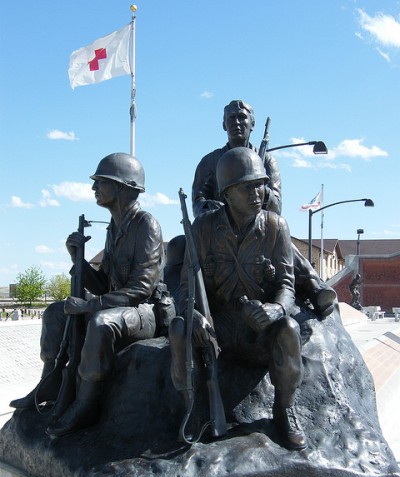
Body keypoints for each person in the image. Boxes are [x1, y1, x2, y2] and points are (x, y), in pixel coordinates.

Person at [10, 153, 170, 437]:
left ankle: (86, 404)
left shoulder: (147, 225)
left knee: (100, 322)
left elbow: (140, 290)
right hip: (118, 306)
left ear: (123, 187)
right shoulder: (114, 228)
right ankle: (50, 380)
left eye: (101, 182)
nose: (94, 188)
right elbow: (103, 284)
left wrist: (89, 307)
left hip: (144, 313)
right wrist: (79, 261)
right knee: (55, 312)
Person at [170, 147, 306, 450]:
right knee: (179, 328)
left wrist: (276, 308)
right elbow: (184, 286)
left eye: (260, 184)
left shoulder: (275, 227)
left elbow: (287, 284)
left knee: (289, 330)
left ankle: (284, 409)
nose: (258, 192)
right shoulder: (203, 228)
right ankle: (190, 409)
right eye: (248, 186)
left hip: (258, 332)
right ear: (228, 193)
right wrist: (193, 314)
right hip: (216, 333)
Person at [192, 99, 336, 318]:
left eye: (243, 117)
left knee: (281, 237)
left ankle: (313, 288)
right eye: (231, 118)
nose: (237, 122)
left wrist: (257, 185)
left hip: (257, 228)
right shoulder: (210, 161)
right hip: (218, 230)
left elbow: (276, 207)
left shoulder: (267, 160)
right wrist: (216, 208)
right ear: (223, 125)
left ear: (253, 124)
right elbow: (198, 201)